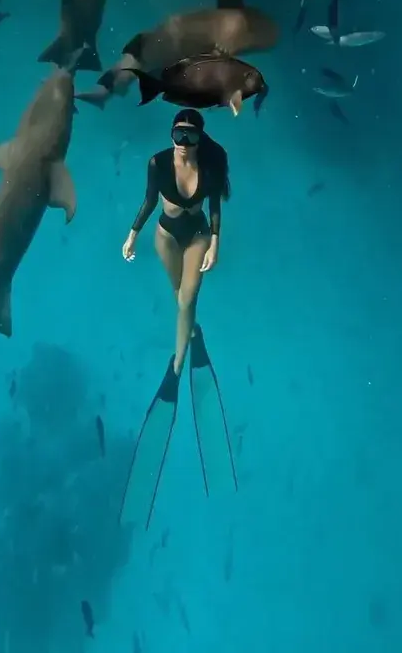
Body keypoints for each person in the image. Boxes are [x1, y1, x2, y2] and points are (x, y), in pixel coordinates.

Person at [120, 109, 237, 528]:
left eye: (189, 136)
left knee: (187, 299)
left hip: (197, 236)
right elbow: (150, 201)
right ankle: (192, 332)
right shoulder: (157, 163)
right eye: (177, 135)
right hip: (166, 239)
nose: (182, 143)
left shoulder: (212, 161)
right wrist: (132, 234)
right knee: (181, 302)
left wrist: (216, 244)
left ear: (200, 138)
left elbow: (216, 206)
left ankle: (176, 361)